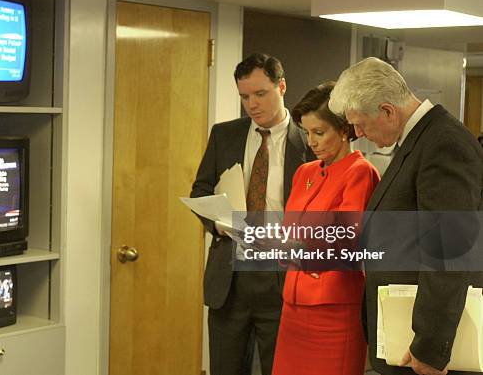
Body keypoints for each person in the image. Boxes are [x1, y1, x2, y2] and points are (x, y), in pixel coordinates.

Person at [329, 57, 483, 375]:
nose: (356, 133)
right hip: (402, 334)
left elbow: (449, 252)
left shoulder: (443, 143)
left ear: (387, 110)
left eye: (360, 123)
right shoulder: (420, 139)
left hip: (422, 346)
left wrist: (429, 345)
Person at [190, 52, 313, 375]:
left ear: (281, 87)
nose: (252, 104)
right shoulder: (224, 135)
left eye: (260, 94)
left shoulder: (309, 142)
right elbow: (201, 191)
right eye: (245, 96)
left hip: (282, 274)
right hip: (230, 276)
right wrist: (218, 224)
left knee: (280, 368)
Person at [270, 82, 380, 375]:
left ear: (344, 130)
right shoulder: (305, 172)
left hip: (334, 310)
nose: (311, 142)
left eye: (319, 132)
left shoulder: (360, 172)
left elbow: (345, 241)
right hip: (293, 306)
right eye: (307, 133)